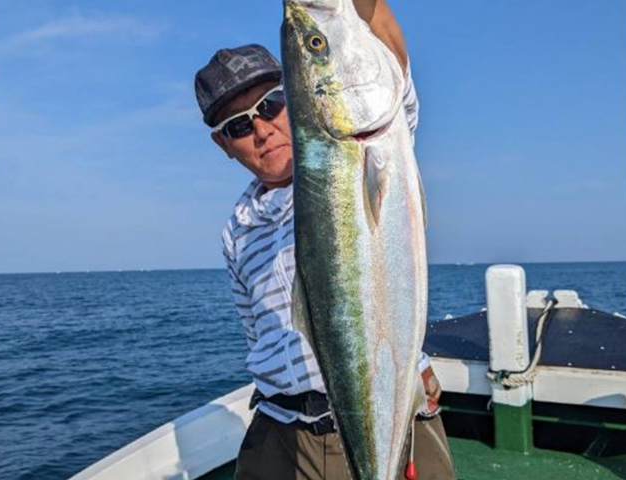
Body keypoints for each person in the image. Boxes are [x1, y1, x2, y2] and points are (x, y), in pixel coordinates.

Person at [194, 3, 456, 479]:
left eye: (271, 103)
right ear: (223, 145)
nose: (262, 129)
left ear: (296, 95)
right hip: (278, 429)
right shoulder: (237, 228)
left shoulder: (375, 137)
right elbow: (255, 331)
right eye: (238, 125)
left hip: (386, 410)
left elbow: (377, 27)